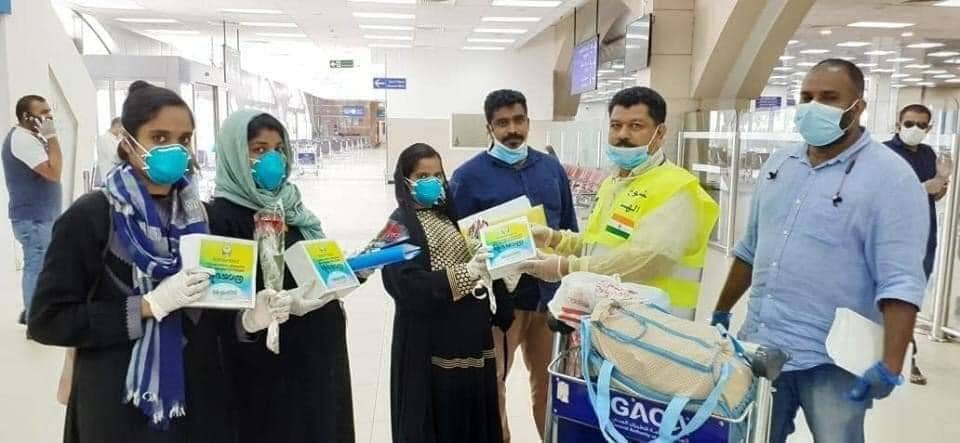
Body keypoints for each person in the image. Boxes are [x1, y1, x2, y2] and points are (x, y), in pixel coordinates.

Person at [27, 81, 289, 442]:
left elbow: (212, 317)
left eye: (184, 140)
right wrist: (149, 305)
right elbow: (48, 320)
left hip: (198, 404)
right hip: (119, 406)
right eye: (160, 138)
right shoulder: (92, 217)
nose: (175, 151)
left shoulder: (205, 219)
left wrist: (249, 318)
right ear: (129, 141)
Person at [711, 59, 928, 443]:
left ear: (857, 106)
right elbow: (751, 248)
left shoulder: (890, 178)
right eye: (806, 97)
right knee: (750, 436)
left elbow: (901, 279)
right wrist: (722, 308)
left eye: (829, 98)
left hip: (834, 358)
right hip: (763, 341)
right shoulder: (780, 165)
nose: (814, 106)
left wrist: (892, 363)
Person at [206, 110, 355, 443]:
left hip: (318, 357)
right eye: (259, 149)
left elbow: (308, 266)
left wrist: (339, 277)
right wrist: (252, 320)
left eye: (278, 148)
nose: (273, 158)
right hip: (268, 371)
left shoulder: (294, 209)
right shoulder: (220, 220)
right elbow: (217, 315)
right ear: (233, 154)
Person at [518, 86, 719, 321]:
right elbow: (598, 244)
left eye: (636, 126)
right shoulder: (615, 182)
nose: (622, 134)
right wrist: (555, 239)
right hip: (608, 321)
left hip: (653, 327)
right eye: (616, 125)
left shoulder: (678, 189)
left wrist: (567, 267)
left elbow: (645, 259)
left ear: (661, 133)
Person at [449, 89, 577, 441]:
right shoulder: (467, 177)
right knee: (493, 386)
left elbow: (569, 227)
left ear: (528, 121)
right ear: (489, 127)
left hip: (549, 298)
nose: (512, 129)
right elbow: (458, 242)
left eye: (518, 120)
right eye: (502, 123)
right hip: (499, 302)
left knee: (551, 384)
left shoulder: (550, 168)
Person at [381, 143, 514, 443]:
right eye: (422, 175)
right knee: (436, 421)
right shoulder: (397, 225)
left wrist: (503, 275)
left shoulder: (452, 218)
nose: (432, 182)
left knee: (469, 417)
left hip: (469, 337)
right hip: (430, 345)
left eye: (438, 174)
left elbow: (479, 264)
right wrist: (465, 274)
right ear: (405, 181)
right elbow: (404, 285)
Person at [883, 103, 949, 386]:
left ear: (929, 128)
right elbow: (881, 195)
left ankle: (901, 356)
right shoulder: (883, 154)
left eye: (922, 125)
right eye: (909, 123)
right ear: (898, 124)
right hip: (891, 237)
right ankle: (902, 358)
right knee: (894, 297)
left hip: (922, 236)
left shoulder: (928, 154)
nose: (915, 129)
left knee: (911, 297)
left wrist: (942, 182)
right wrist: (923, 188)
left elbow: (934, 197)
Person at [2, 94, 62, 326]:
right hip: (33, 219)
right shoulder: (23, 140)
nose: (50, 116)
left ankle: (32, 311)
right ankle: (34, 317)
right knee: (36, 264)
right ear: (27, 117)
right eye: (44, 113)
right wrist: (53, 136)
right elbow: (54, 172)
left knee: (39, 263)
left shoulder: (31, 138)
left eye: (49, 111)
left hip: (40, 217)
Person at [97, 117, 123, 184]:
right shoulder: (104, 139)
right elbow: (116, 158)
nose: (122, 131)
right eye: (122, 128)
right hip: (110, 177)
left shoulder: (116, 139)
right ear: (116, 126)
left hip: (117, 176)